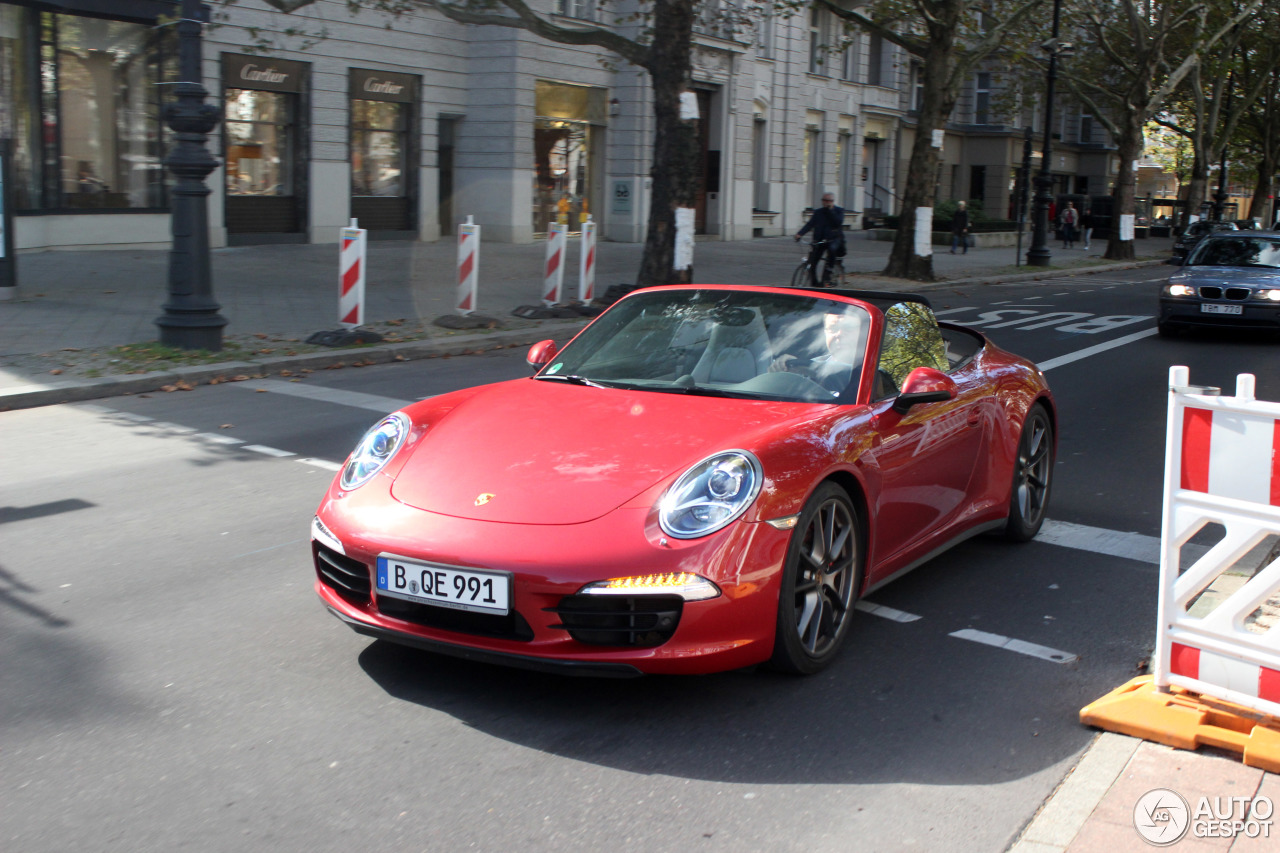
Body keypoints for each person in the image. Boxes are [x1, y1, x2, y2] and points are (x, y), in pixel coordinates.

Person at [768, 311, 864, 395]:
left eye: (848, 328)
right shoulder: (805, 368)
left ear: (864, 332)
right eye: (833, 328)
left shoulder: (874, 374)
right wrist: (784, 371)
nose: (839, 334)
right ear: (825, 332)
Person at [795, 193, 845, 285]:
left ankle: (828, 273)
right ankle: (815, 284)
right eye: (824, 200)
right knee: (812, 262)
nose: (826, 203)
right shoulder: (818, 212)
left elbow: (838, 223)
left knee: (832, 250)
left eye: (828, 201)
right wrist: (800, 234)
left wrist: (831, 211)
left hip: (833, 239)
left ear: (832, 202)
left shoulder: (839, 211)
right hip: (819, 240)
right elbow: (810, 224)